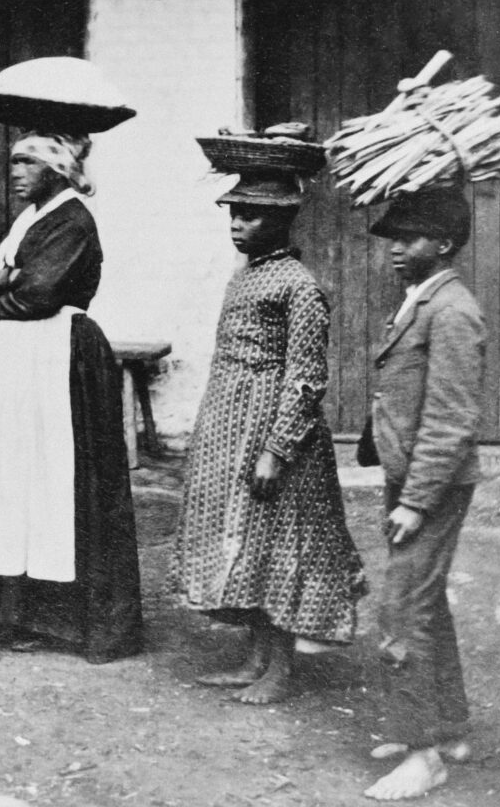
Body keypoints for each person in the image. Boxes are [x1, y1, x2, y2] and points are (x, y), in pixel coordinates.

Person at [0, 59, 144, 664]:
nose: (15, 172)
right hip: (17, 363)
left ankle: (67, 617)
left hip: (59, 360)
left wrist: (0, 285)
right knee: (15, 478)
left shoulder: (73, 221)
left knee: (61, 481)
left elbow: (35, 298)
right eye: (13, 161)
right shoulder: (29, 219)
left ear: (59, 165)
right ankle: (13, 608)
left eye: (27, 161)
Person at [173, 168, 366, 704]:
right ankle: (255, 658)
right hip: (231, 429)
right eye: (233, 213)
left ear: (281, 221)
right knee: (247, 544)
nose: (237, 223)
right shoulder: (247, 276)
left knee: (279, 547)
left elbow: (305, 378)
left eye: (250, 214)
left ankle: (280, 669)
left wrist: (277, 451)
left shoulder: (299, 287)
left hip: (274, 440)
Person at [362, 186, 485, 801]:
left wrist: (416, 500)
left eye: (408, 240)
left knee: (403, 608)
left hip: (429, 486)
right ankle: (450, 727)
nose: (395, 250)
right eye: (393, 239)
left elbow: (452, 419)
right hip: (406, 477)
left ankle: (422, 753)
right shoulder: (421, 299)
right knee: (426, 602)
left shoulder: (453, 310)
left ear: (443, 244)